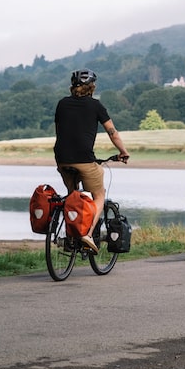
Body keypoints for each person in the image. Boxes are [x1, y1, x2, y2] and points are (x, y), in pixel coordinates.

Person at [53, 69, 129, 253]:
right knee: (99, 195)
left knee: (72, 197)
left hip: (62, 159)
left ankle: (70, 237)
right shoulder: (95, 106)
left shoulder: (62, 104)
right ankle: (85, 233)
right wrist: (123, 152)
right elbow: (112, 132)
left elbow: (62, 130)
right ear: (92, 87)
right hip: (84, 159)